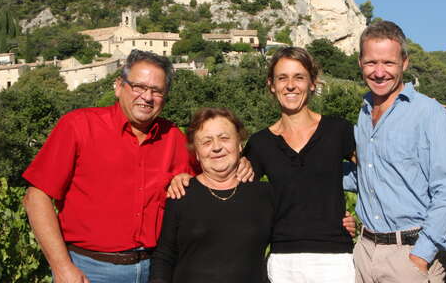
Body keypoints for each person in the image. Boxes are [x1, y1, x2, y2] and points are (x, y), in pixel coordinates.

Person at [22, 50, 252, 283]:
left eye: (157, 91)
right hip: (89, 271)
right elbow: (36, 197)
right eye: (139, 87)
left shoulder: (173, 137)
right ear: (119, 86)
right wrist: (61, 267)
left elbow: (213, 170)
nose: (147, 97)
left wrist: (239, 163)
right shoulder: (78, 126)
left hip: (157, 270)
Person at [168, 47, 357, 283]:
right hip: (282, 261)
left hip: (335, 259)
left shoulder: (338, 130)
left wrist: (362, 219)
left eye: (299, 77)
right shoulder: (260, 143)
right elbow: (226, 184)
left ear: (312, 83)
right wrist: (185, 179)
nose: (290, 85)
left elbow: (376, 174)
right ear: (271, 85)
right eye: (282, 78)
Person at [343, 21, 446, 283]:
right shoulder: (364, 113)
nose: (379, 72)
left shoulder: (429, 114)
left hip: (410, 255)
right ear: (359, 63)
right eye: (370, 63)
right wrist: (308, 166)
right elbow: (368, 176)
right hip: (365, 252)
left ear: (405, 63)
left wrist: (420, 257)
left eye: (388, 63)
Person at [150, 107, 273, 283]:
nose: (216, 147)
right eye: (206, 142)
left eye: (224, 138)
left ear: (240, 144)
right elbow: (164, 255)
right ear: (197, 154)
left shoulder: (264, 194)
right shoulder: (181, 193)